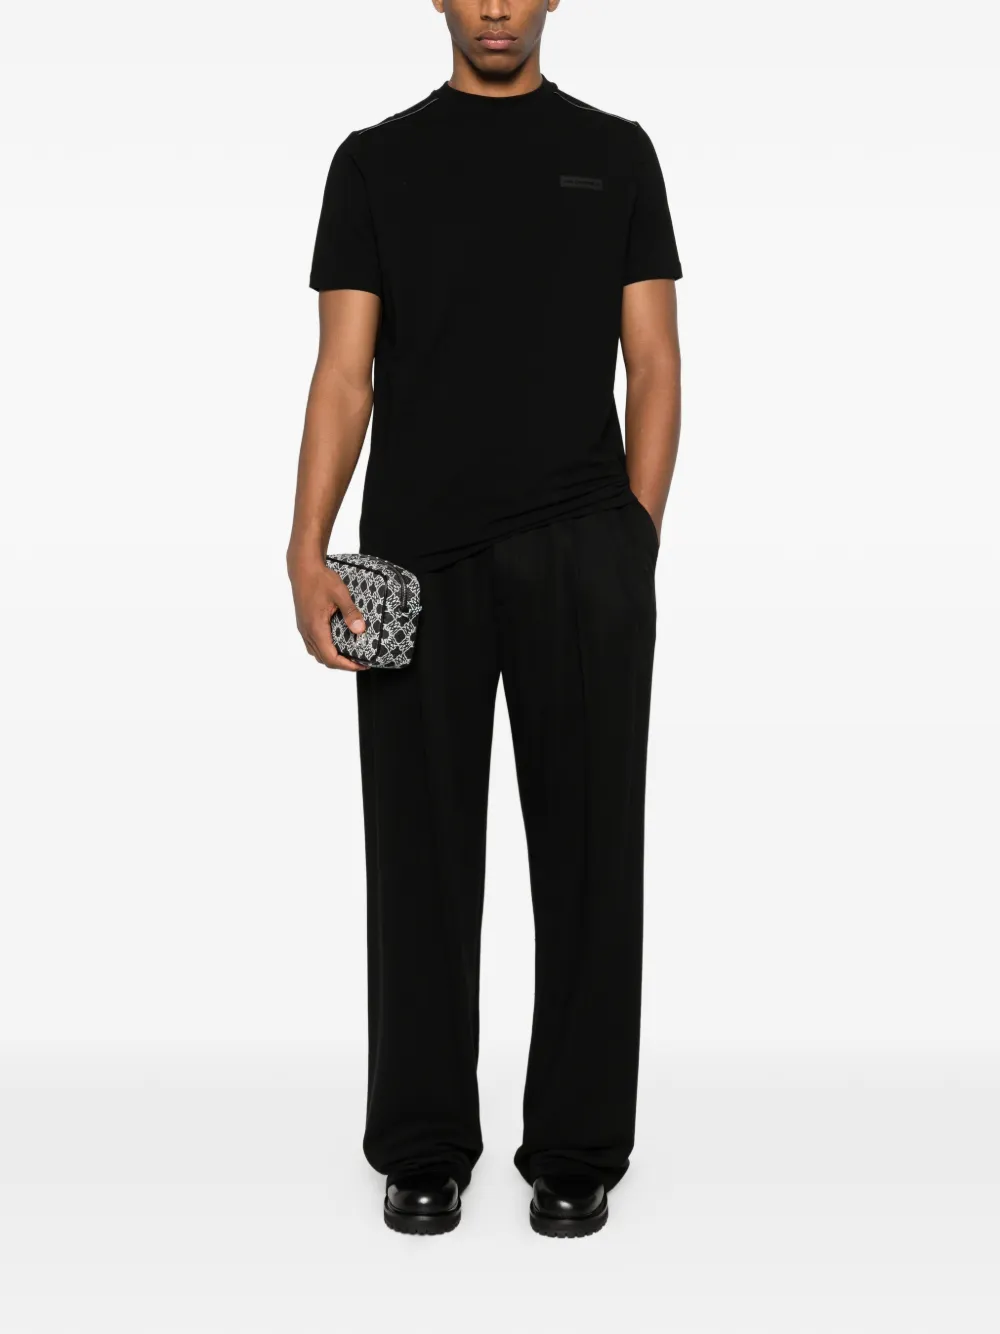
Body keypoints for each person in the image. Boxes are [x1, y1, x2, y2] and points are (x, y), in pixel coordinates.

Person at [287, 0, 682, 1239]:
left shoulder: (617, 152)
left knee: (591, 859)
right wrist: (306, 545)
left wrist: (632, 539)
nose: (496, 6)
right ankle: (421, 1147)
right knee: (416, 862)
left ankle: (576, 1147)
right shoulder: (372, 162)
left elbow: (655, 361)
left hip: (583, 550)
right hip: (416, 560)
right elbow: (343, 371)